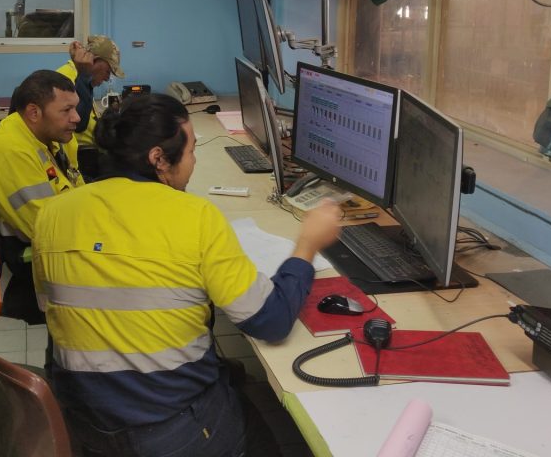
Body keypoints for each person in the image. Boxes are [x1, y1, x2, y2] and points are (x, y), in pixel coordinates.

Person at [32, 93, 343, 457]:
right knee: (267, 435)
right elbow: (270, 321)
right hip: (171, 429)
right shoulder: (195, 216)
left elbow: (52, 308)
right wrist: (307, 245)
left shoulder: (53, 213)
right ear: (158, 160)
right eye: (193, 150)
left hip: (85, 426)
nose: (194, 161)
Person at [0, 69, 85, 323]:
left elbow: (76, 185)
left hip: (66, 233)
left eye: (76, 109)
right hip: (39, 254)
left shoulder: (47, 136)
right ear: (34, 112)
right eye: (66, 110)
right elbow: (45, 228)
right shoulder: (10, 150)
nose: (77, 118)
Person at [56, 35, 124, 178]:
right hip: (78, 157)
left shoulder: (84, 81)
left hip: (88, 152)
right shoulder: (68, 78)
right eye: (107, 71)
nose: (107, 78)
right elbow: (78, 123)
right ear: (94, 60)